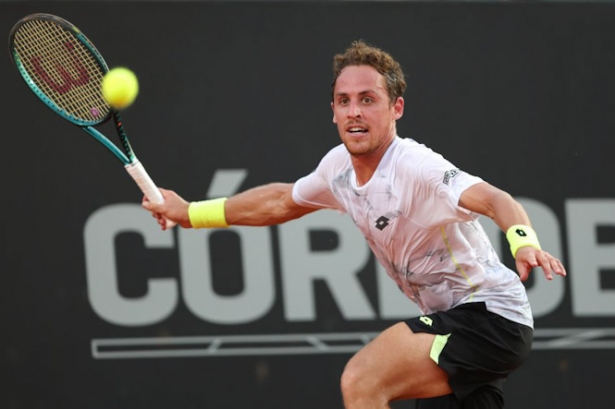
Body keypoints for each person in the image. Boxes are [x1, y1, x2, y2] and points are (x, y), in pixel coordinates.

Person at [142, 40, 566, 409]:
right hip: (454, 323)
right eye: (344, 101)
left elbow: (495, 199)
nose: (354, 112)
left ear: (396, 107)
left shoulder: (416, 167)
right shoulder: (337, 170)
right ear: (332, 111)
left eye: (368, 99)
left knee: (362, 380)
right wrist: (190, 213)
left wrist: (523, 241)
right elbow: (278, 202)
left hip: (489, 318)